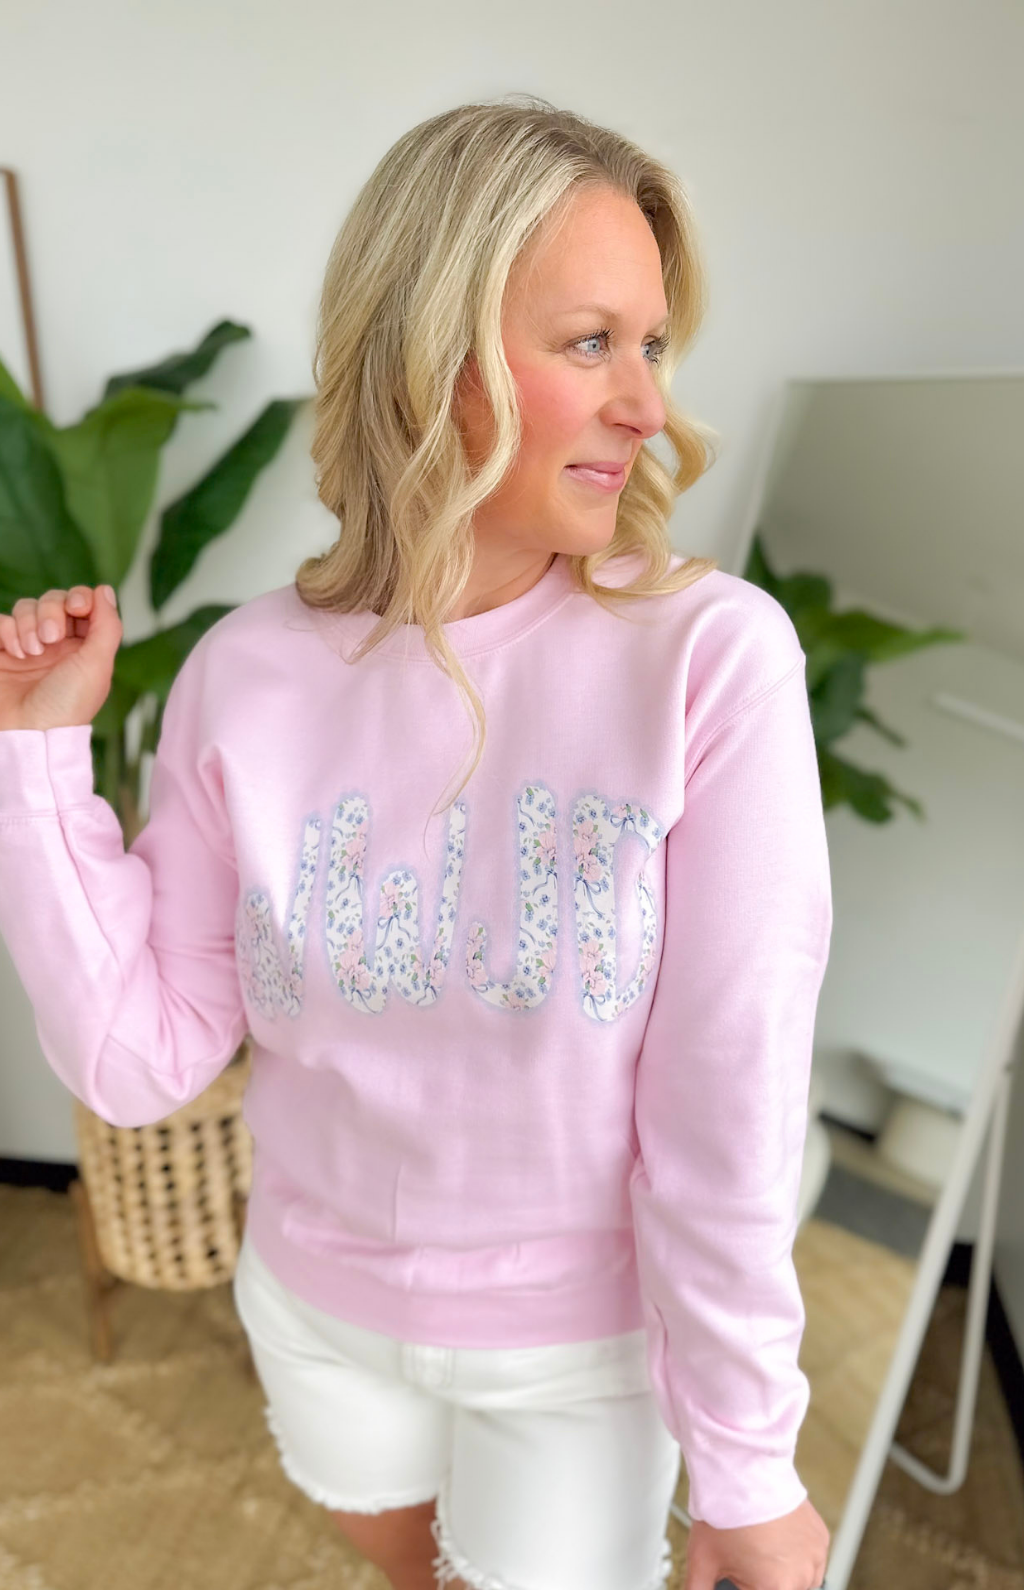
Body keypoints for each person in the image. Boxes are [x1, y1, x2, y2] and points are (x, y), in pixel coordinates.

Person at [0, 95, 831, 1590]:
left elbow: (729, 1102)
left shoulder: (709, 659)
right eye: (592, 342)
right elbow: (137, 1058)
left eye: (652, 346)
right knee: (402, 1558)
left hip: (581, 1356)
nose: (646, 405)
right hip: (315, 1311)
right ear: (430, 356)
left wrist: (749, 1460)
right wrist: (34, 755)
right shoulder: (244, 674)